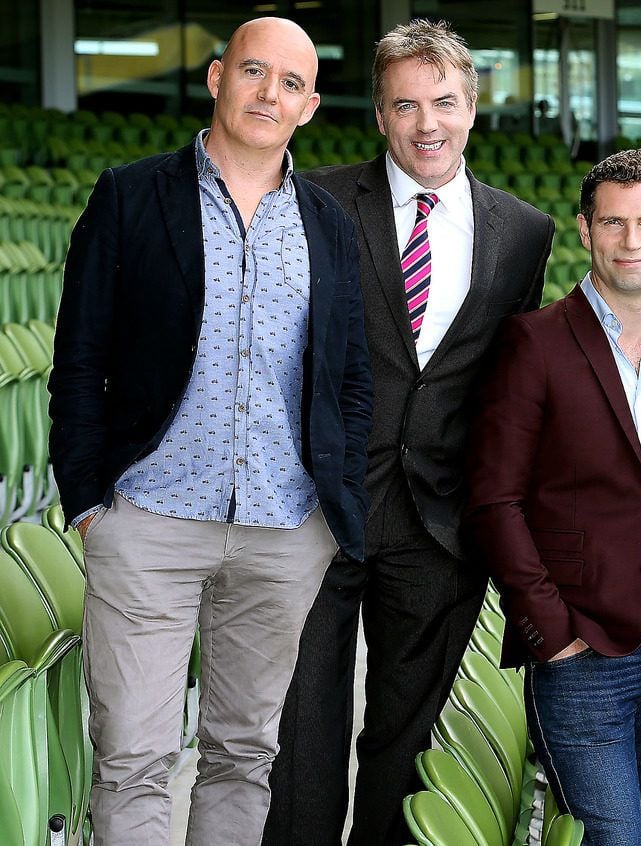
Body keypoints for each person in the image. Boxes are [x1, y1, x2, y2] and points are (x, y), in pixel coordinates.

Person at [47, 17, 372, 845]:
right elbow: (79, 359)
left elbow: (351, 380)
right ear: (219, 76)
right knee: (131, 757)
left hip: (282, 529)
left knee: (243, 752)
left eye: (291, 83)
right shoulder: (130, 194)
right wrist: (88, 500)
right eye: (255, 72)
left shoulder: (330, 225)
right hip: (149, 519)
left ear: (311, 106)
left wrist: (333, 521)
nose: (270, 93)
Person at [264, 18, 554, 846]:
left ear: (472, 106)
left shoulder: (523, 232)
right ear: (380, 116)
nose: (427, 123)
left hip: (438, 524)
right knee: (299, 733)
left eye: (444, 102)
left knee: (405, 738)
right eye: (406, 105)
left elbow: (507, 386)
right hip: (314, 510)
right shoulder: (312, 199)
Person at [463, 149, 641, 846]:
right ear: (586, 230)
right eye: (614, 223)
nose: (632, 241)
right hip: (584, 651)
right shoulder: (534, 342)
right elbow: (493, 498)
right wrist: (550, 633)